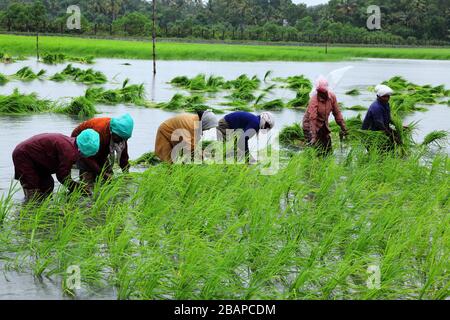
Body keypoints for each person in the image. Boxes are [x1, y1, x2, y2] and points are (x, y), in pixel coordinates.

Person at [12, 129, 100, 202]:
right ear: (83, 151)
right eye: (86, 155)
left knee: (47, 186)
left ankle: (44, 213)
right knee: (32, 190)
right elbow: (62, 177)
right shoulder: (69, 152)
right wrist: (79, 188)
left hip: (38, 160)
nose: (84, 157)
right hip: (23, 156)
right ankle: (29, 215)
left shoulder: (73, 144)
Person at [71, 114, 134, 184]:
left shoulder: (121, 135)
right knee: (88, 180)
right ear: (112, 132)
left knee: (109, 178)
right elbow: (88, 158)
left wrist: (126, 173)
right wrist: (102, 174)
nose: (120, 141)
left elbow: (123, 156)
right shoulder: (100, 133)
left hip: (100, 145)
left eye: (123, 139)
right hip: (83, 144)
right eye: (118, 138)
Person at [302, 78, 348, 155]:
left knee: (328, 150)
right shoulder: (314, 100)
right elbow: (312, 118)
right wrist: (313, 137)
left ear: (327, 90)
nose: (321, 93)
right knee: (314, 151)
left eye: (323, 91)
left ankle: (326, 164)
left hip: (323, 126)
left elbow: (337, 113)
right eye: (319, 92)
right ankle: (311, 163)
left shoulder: (332, 97)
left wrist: (344, 128)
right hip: (310, 127)